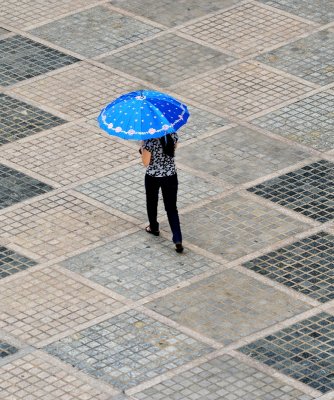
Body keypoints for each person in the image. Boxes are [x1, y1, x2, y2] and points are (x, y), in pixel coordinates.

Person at [139, 133, 183, 253]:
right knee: (172, 208)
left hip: (153, 176)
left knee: (152, 202)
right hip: (171, 175)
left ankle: (154, 227)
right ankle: (177, 238)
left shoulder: (149, 141)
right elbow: (172, 150)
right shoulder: (172, 135)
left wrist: (142, 148)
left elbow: (145, 162)